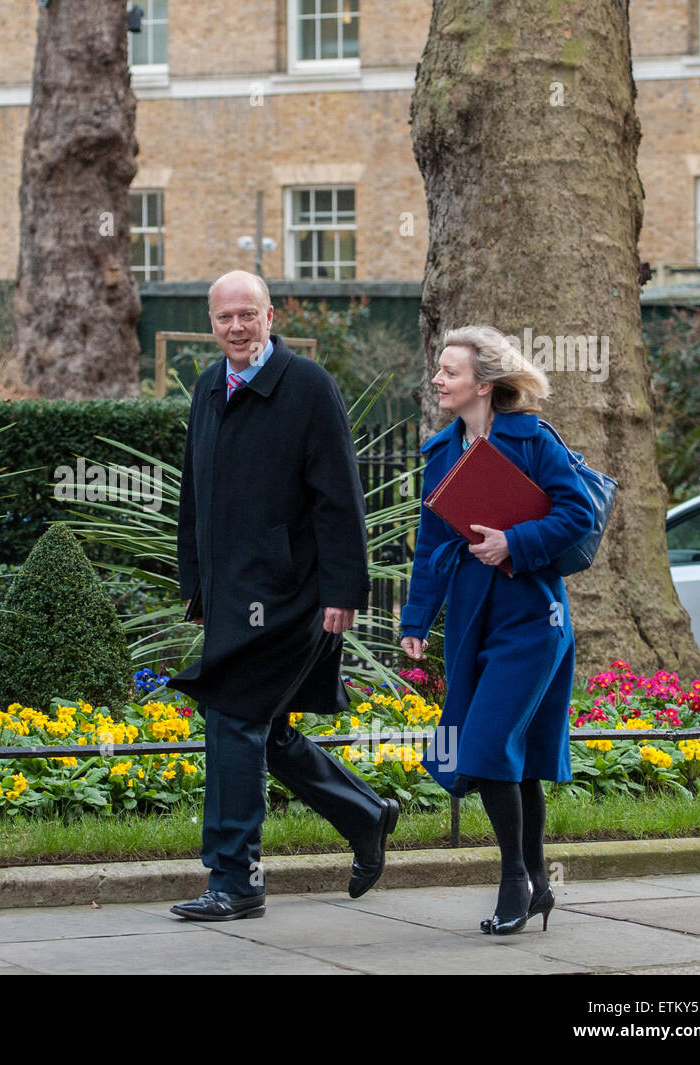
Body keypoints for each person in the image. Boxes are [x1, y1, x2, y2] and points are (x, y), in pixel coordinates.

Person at [167, 269, 399, 922]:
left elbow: (340, 497)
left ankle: (234, 876)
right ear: (210, 323)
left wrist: (345, 588)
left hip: (292, 596)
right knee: (258, 728)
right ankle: (366, 813)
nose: (236, 327)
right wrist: (197, 587)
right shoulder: (210, 386)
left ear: (271, 316)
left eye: (248, 314)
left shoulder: (307, 387)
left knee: (233, 716)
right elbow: (195, 496)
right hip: (229, 597)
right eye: (223, 318)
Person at [400, 325, 596, 935]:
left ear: (482, 385)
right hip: (469, 620)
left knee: (484, 748)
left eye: (450, 372)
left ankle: (515, 882)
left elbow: (578, 515)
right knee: (520, 758)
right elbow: (431, 542)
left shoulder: (533, 439)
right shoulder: (440, 452)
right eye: (439, 370)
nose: (438, 380)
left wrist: (515, 540)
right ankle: (537, 884)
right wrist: (416, 619)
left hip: (534, 620)